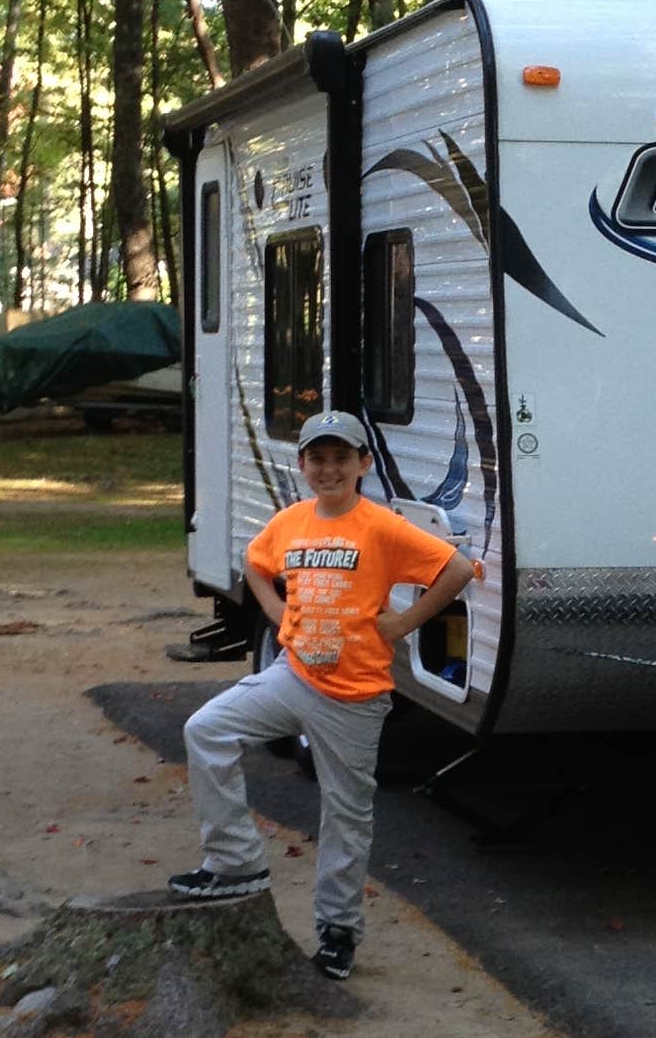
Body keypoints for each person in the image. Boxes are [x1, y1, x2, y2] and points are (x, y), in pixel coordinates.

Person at [171, 413, 474, 980]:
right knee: (207, 729)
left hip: (354, 698)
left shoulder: (381, 527)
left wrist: (403, 623)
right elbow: (255, 565)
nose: (328, 469)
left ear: (364, 464)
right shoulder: (290, 523)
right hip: (293, 676)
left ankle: (338, 931)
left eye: (342, 458)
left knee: (346, 814)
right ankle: (235, 862)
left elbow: (455, 568)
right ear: (303, 464)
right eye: (318, 458)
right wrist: (275, 609)